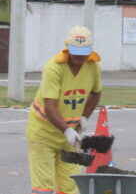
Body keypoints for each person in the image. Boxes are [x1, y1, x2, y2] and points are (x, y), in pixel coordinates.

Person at [27, 26, 103, 194]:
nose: (79, 56)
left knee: (71, 186)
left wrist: (84, 118)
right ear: (67, 48)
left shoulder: (93, 67)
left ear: (90, 50)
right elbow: (50, 105)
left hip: (71, 136)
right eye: (75, 51)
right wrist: (66, 130)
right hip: (43, 133)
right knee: (43, 187)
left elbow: (96, 93)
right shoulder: (53, 67)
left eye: (83, 52)